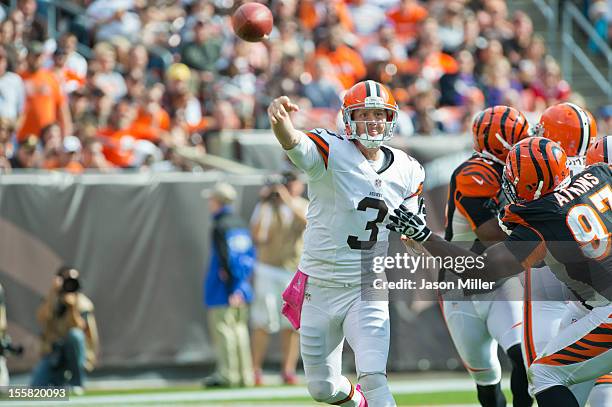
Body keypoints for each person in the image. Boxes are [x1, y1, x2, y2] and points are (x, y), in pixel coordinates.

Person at [388, 137, 612, 407]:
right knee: (568, 370)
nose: (508, 184)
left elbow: (479, 271)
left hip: (606, 309)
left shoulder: (542, 221)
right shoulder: (599, 174)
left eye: (513, 179)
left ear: (531, 185)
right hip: (592, 305)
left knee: (544, 375)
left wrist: (424, 236)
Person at [268, 80, 425, 406]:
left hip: (367, 285)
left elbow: (414, 241)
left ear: (390, 118)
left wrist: (414, 235)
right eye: (365, 113)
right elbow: (295, 144)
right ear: (349, 119)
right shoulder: (330, 151)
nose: (373, 121)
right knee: (322, 388)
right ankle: (357, 403)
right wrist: (281, 123)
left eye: (379, 114)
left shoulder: (408, 170)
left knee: (373, 377)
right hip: (319, 285)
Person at [442, 106, 531, 407]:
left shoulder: (517, 169)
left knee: (525, 358)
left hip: (502, 283)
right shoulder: (474, 172)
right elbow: (489, 231)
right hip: (460, 288)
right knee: (486, 378)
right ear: (500, 141)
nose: (525, 140)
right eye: (518, 136)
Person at [250, 171, 308, 386]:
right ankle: (255, 369)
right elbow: (257, 236)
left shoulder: (301, 204)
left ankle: (288, 369)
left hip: (292, 270)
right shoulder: (265, 207)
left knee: (291, 324)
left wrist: (287, 199)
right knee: (262, 321)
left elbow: (306, 222)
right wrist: (265, 201)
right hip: (267, 268)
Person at [202, 182, 256, 388]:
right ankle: (245, 375)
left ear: (217, 201)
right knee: (240, 331)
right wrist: (241, 285)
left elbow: (225, 259)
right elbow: (249, 257)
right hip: (242, 285)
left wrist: (232, 287)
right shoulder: (240, 223)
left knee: (224, 331)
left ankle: (228, 375)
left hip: (223, 288)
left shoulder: (219, 225)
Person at [31, 266, 99, 393]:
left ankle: (77, 383)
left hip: (75, 356)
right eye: (67, 280)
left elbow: (80, 329)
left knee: (75, 335)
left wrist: (72, 307)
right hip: (54, 354)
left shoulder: (83, 303)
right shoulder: (51, 300)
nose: (70, 284)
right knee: (35, 389)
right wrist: (53, 293)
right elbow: (42, 318)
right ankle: (58, 383)